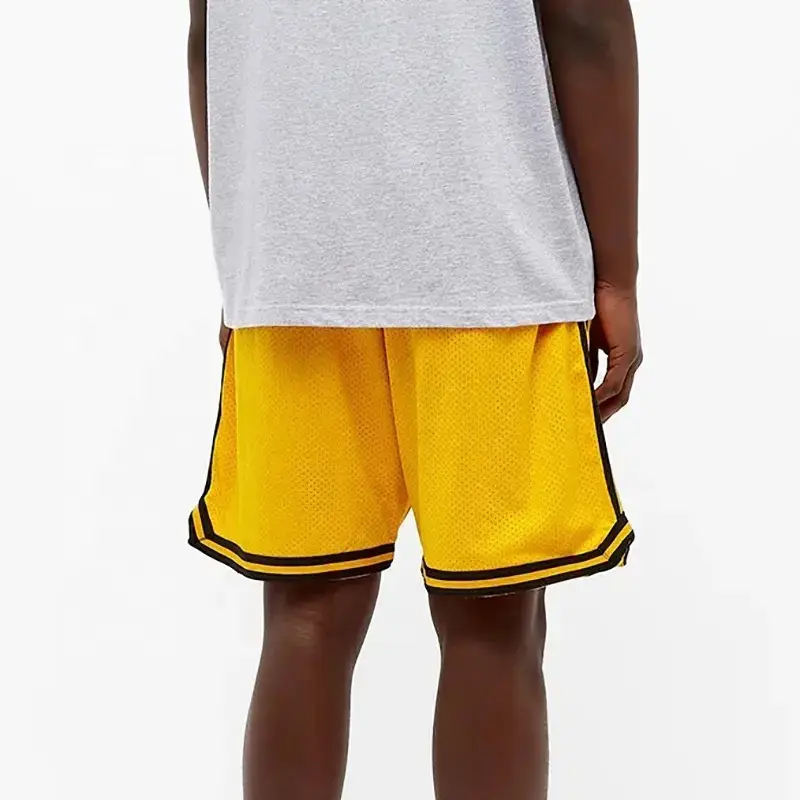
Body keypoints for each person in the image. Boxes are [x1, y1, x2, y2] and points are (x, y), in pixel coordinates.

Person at [187, 0, 642, 797]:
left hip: (293, 260)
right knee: (493, 618)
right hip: (491, 257)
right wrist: (618, 275)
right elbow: (586, 19)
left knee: (303, 612)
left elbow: (206, 38)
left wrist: (244, 258)